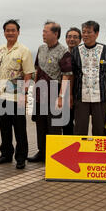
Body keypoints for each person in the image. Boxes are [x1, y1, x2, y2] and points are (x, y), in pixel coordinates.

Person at [27, 21, 73, 163]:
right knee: (41, 125)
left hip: (55, 93)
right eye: (43, 31)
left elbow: (67, 75)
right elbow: (37, 70)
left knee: (54, 126)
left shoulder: (63, 52)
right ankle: (42, 152)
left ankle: (54, 155)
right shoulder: (41, 49)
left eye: (45, 32)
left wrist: (61, 96)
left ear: (55, 34)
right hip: (41, 93)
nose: (43, 34)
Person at [0, 19, 35, 169]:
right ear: (4, 32)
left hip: (17, 97)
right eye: (7, 30)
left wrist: (24, 93)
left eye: (13, 30)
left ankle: (21, 157)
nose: (10, 33)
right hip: (1, 96)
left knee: (19, 129)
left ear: (18, 32)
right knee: (4, 127)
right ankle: (6, 154)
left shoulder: (24, 51)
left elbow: (28, 74)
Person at [71, 20, 106, 136]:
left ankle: (98, 154)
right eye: (83, 32)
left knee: (99, 129)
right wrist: (70, 95)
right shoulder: (75, 51)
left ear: (96, 34)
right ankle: (80, 153)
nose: (85, 35)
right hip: (80, 96)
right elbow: (71, 74)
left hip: (101, 96)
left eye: (89, 32)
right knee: (79, 129)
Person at [62, 27, 82, 135]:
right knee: (66, 123)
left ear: (80, 40)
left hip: (80, 94)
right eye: (69, 37)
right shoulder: (63, 54)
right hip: (65, 93)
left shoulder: (83, 55)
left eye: (75, 37)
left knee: (79, 124)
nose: (72, 39)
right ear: (65, 39)